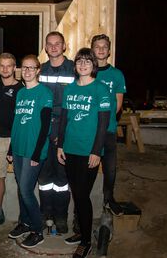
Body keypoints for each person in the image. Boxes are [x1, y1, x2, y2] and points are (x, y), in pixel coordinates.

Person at [57, 48, 111, 258]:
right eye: (80, 60)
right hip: (70, 149)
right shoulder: (69, 89)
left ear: (93, 65)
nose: (83, 64)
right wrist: (60, 145)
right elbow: (63, 119)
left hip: (89, 151)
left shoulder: (101, 89)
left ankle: (86, 240)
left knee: (81, 195)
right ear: (75, 65)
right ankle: (81, 233)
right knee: (76, 194)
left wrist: (97, 151)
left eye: (88, 61)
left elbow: (103, 124)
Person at [6, 55, 52, 248]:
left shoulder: (44, 93)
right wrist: (10, 147)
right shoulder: (21, 93)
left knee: (26, 190)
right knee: (21, 188)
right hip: (18, 148)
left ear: (38, 70)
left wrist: (37, 153)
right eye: (24, 68)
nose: (27, 71)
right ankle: (24, 223)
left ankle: (37, 230)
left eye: (31, 68)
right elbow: (17, 122)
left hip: (34, 151)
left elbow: (45, 127)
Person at [38, 31, 74, 233]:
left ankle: (61, 217)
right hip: (44, 128)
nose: (53, 47)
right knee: (44, 178)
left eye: (57, 43)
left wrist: (65, 133)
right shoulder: (40, 70)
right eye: (50, 44)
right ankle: (45, 215)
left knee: (62, 178)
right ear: (45, 47)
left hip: (65, 128)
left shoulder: (73, 69)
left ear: (64, 46)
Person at [0, 52, 23, 231]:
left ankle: (24, 215)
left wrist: (14, 145)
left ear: (15, 67)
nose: (5, 69)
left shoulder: (22, 89)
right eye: (1, 65)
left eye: (9, 65)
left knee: (22, 178)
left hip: (16, 137)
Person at [92, 34, 126, 217]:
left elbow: (118, 104)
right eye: (98, 47)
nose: (101, 50)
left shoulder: (117, 75)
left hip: (108, 129)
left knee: (110, 167)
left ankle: (109, 198)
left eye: (105, 46)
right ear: (93, 50)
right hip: (89, 131)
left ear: (109, 50)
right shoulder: (88, 72)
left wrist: (106, 122)